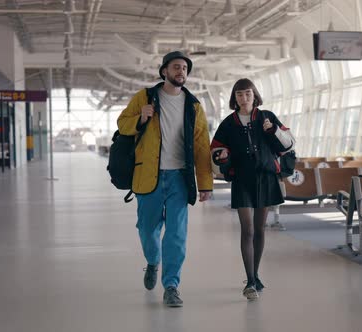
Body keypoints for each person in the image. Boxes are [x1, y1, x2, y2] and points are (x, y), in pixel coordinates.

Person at [117, 51, 213, 307]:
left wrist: (205, 184)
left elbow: (202, 146)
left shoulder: (193, 106)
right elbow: (122, 123)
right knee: (147, 229)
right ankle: (152, 261)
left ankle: (171, 285)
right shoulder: (145, 97)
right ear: (164, 71)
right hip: (149, 175)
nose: (181, 71)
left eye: (184, 68)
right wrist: (141, 117)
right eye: (176, 67)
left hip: (180, 178)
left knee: (177, 234)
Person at [210, 78, 293, 300]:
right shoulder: (228, 123)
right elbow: (215, 149)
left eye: (247, 93)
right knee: (247, 230)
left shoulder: (267, 117)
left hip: (265, 178)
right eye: (239, 94)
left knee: (260, 229)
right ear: (234, 98)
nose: (243, 98)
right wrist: (221, 155)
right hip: (242, 180)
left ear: (254, 95)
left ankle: (256, 276)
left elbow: (289, 144)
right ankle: (249, 280)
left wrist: (273, 130)